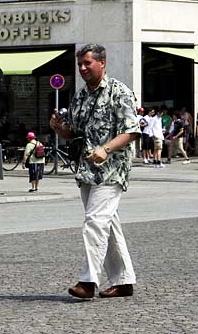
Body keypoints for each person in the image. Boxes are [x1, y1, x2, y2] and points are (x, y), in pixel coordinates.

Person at [49, 44, 138, 300]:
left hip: (111, 170)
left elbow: (131, 130)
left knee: (94, 223)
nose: (83, 68)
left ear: (102, 62)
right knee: (107, 225)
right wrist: (60, 129)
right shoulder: (80, 96)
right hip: (86, 170)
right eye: (80, 64)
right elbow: (75, 133)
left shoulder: (118, 92)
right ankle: (124, 281)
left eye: (87, 63)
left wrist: (106, 149)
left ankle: (88, 281)